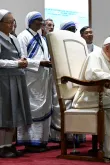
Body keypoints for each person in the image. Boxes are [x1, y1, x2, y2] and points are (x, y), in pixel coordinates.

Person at [16, 11, 52, 153]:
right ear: (30, 22)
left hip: (43, 78)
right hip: (30, 78)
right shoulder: (22, 37)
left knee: (43, 107)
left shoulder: (42, 38)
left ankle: (41, 140)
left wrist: (47, 63)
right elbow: (22, 59)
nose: (40, 22)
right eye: (37, 20)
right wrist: (40, 62)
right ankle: (29, 141)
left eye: (41, 20)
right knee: (31, 109)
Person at [0, 9, 32, 158]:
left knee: (14, 113)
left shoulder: (13, 38)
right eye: (9, 22)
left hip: (17, 78)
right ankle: (1, 147)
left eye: (13, 21)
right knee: (4, 113)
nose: (13, 24)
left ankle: (9, 145)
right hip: (4, 80)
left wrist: (23, 60)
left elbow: (19, 56)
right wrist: (16, 64)